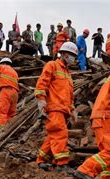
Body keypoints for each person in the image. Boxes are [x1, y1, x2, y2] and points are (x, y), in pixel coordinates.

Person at [35, 42, 78, 171]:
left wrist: (73, 110)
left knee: (53, 136)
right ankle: (62, 163)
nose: (73, 59)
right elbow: (42, 83)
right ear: (64, 54)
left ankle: (41, 160)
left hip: (63, 110)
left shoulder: (68, 74)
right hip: (54, 108)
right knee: (60, 134)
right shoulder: (52, 65)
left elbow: (69, 95)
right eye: (71, 55)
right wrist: (41, 100)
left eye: (74, 56)